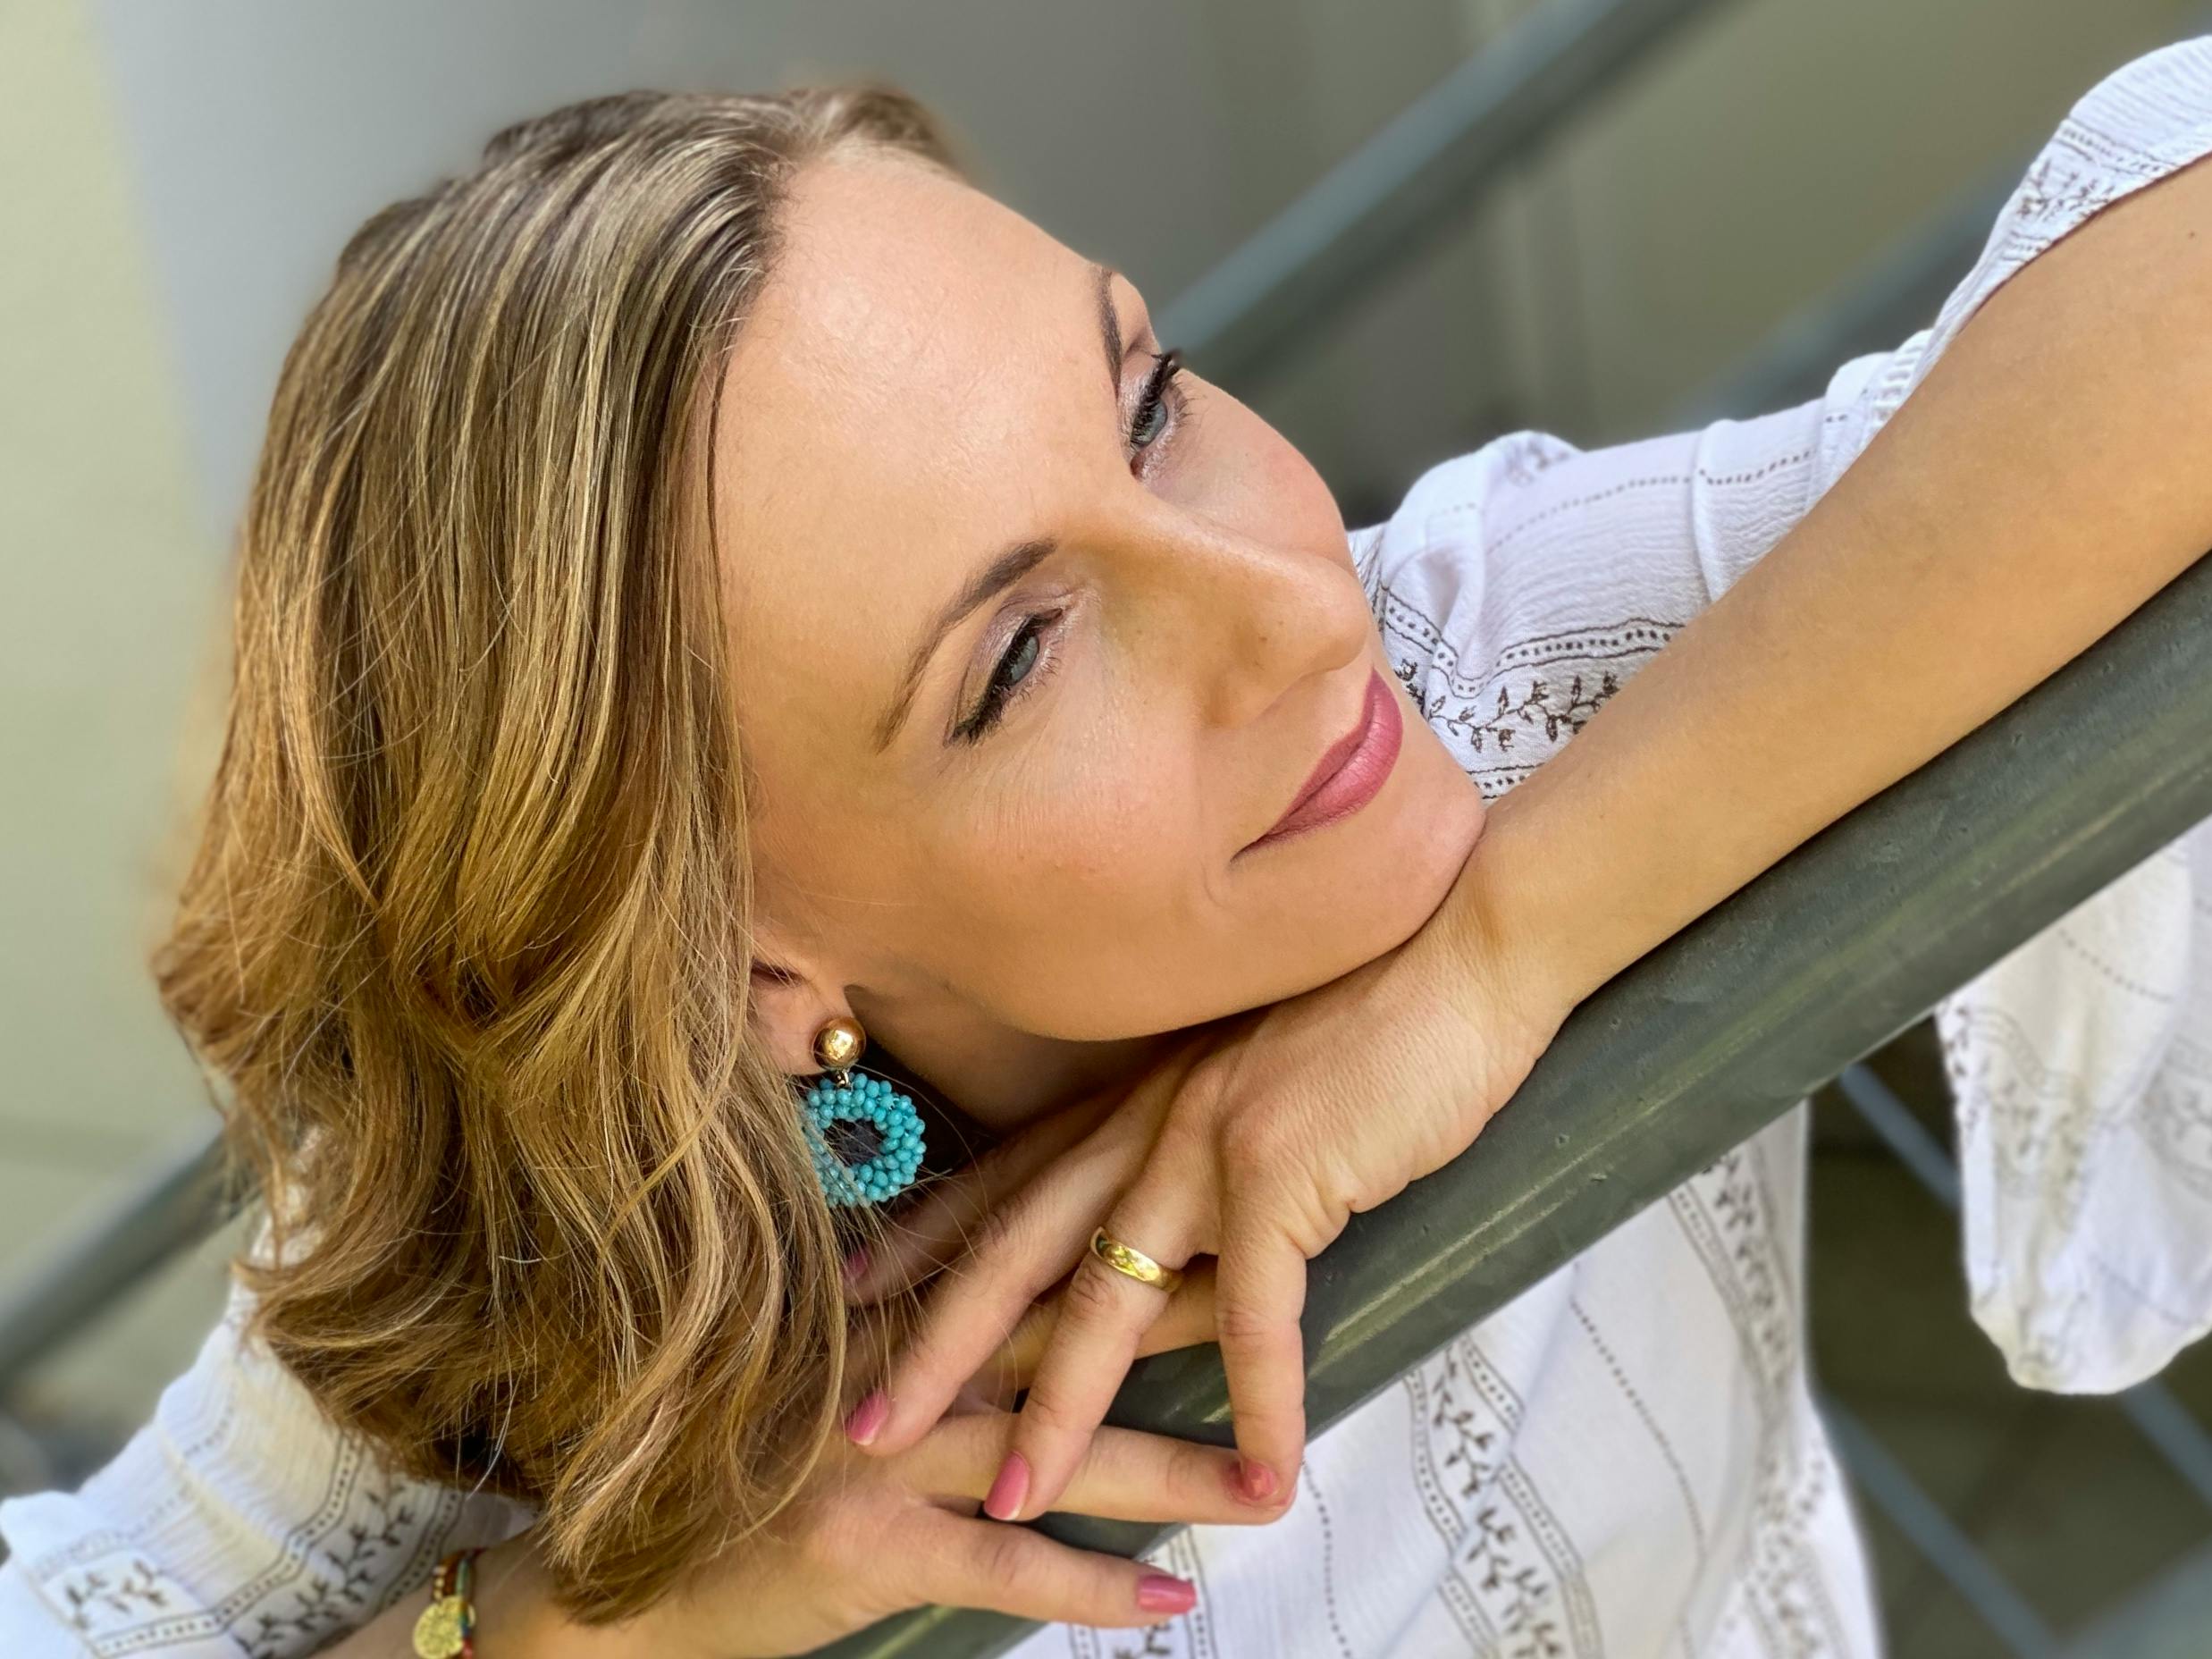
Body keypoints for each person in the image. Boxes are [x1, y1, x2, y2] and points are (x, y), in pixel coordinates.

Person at [7, 33, 2212, 1659]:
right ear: (759, 977)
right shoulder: (528, 1266)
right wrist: (582, 1628)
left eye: (1146, 403)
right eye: (1021, 655)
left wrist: (1507, 945)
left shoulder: (1492, 660)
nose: (1293, 607)